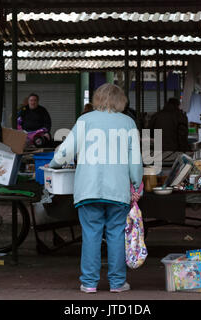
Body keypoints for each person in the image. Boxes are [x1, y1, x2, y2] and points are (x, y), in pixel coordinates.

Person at [48, 83, 143, 293]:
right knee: (116, 234)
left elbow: (65, 152)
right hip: (117, 190)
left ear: (97, 99)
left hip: (88, 189)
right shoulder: (128, 123)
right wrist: (137, 183)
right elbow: (135, 160)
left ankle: (89, 283)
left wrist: (52, 164)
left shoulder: (85, 120)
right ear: (121, 101)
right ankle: (117, 283)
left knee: (91, 234)